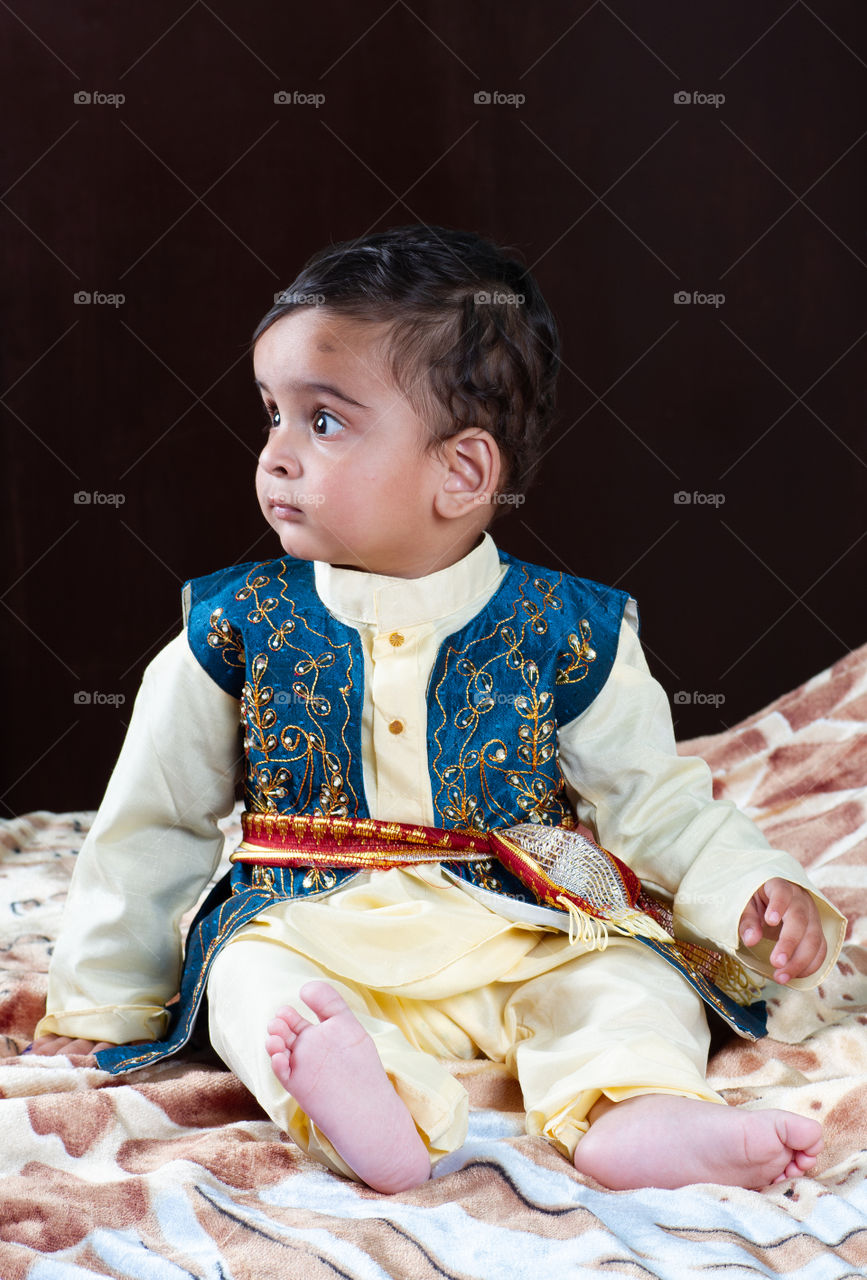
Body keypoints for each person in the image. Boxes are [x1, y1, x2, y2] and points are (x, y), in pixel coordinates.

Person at [30, 226, 845, 1196]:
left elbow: (655, 802)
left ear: (461, 472)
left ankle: (633, 1110)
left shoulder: (565, 628)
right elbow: (152, 821)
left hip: (526, 922)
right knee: (252, 983)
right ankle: (373, 1103)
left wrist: (752, 883)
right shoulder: (236, 627)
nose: (276, 455)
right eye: (272, 416)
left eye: (322, 422)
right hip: (318, 918)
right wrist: (107, 1003)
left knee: (632, 977)